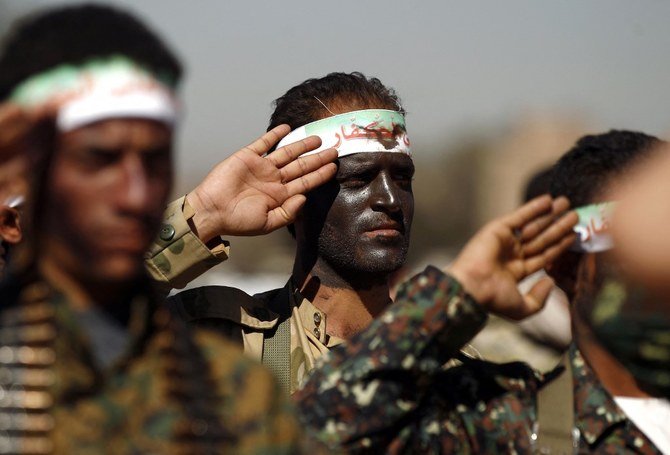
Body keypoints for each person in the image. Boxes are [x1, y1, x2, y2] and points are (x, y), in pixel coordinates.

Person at [0, 4, 337, 453]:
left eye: (155, 160)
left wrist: (206, 214)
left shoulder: (231, 393)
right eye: (98, 160)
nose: (136, 195)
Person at [293, 130, 670, 454]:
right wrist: (460, 291)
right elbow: (311, 430)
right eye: (640, 257)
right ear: (566, 266)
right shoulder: (494, 423)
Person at [151, 72, 415, 393]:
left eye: (402, 180)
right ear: (296, 195)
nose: (390, 200)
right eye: (359, 179)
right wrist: (203, 215)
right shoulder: (220, 347)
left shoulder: (454, 375)